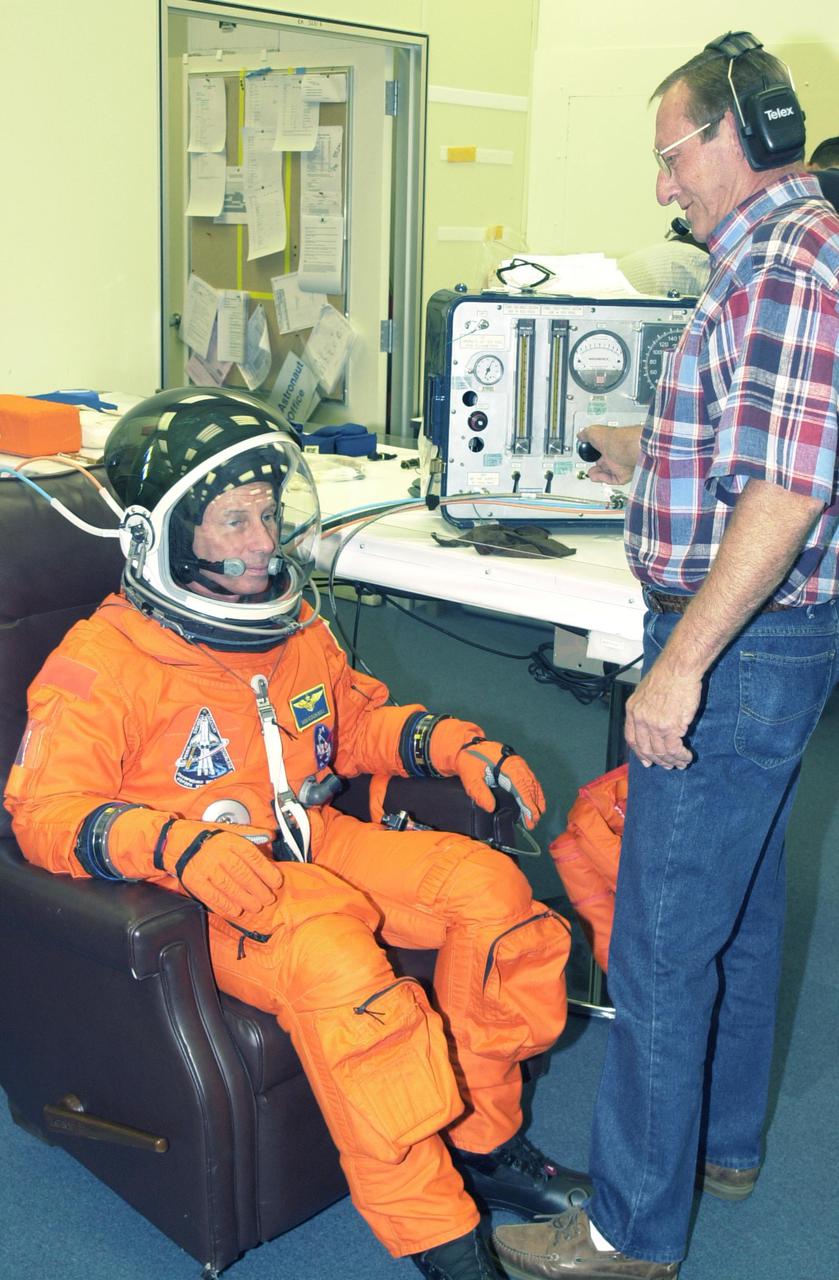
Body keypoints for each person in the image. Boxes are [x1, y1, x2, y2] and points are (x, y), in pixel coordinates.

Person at [4, 386, 590, 1280]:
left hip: (309, 836)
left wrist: (446, 743)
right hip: (206, 890)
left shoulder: (291, 625)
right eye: (232, 521)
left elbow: (351, 722)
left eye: (269, 512)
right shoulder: (103, 665)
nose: (262, 541)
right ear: (157, 536)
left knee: (495, 896)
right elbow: (41, 812)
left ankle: (481, 1141)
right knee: (344, 974)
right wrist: (173, 845)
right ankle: (440, 1237)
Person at [492, 30, 839, 1280]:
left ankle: (626, 1231)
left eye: (670, 153)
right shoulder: (766, 258)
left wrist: (677, 664)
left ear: (741, 130)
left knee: (654, 940)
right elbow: (751, 453)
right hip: (769, 642)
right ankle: (722, 1146)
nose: (660, 185)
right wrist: (639, 451)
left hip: (736, 647)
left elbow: (788, 491)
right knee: (738, 915)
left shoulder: (791, 264)